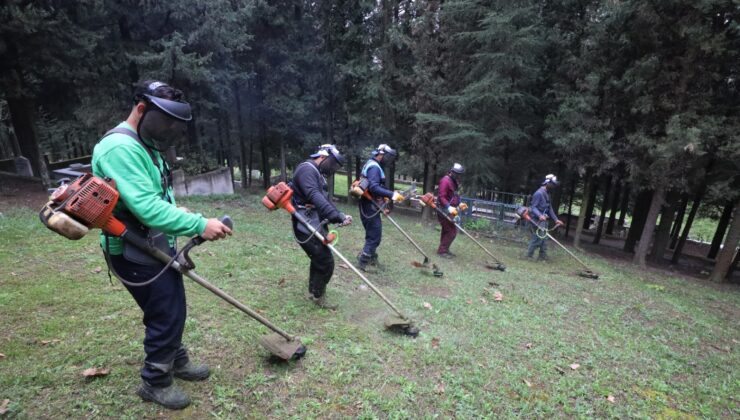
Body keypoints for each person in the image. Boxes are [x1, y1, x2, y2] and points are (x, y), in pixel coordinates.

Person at [92, 80, 232, 410]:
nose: (169, 129)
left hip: (151, 240)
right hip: (131, 248)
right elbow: (144, 206)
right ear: (142, 109)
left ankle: (177, 359)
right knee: (165, 312)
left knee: (171, 307)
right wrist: (199, 224)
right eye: (165, 121)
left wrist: (177, 211)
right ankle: (155, 381)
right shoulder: (120, 149)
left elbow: (153, 196)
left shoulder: (146, 144)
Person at [290, 144, 353, 309]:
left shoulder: (316, 173)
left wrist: (338, 215)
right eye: (333, 163)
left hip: (314, 222)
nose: (333, 168)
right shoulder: (307, 169)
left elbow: (322, 200)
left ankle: (313, 292)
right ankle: (318, 297)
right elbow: (314, 195)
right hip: (305, 223)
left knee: (318, 258)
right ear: (323, 157)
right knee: (325, 261)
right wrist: (335, 215)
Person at [357, 144, 405, 270]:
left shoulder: (373, 164)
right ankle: (363, 262)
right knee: (374, 236)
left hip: (370, 204)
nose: (389, 160)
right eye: (388, 157)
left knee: (372, 234)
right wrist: (391, 194)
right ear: (381, 154)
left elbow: (376, 188)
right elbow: (373, 187)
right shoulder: (374, 167)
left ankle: (371, 258)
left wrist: (385, 201)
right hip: (369, 205)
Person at [525, 174, 564, 261]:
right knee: (537, 237)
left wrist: (556, 219)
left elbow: (549, 208)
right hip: (536, 219)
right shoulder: (538, 193)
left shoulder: (548, 194)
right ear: (547, 183)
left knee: (544, 238)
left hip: (544, 219)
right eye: (553, 184)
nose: (554, 186)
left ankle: (542, 256)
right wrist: (539, 215)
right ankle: (528, 255)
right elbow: (533, 207)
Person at [436, 163, 465, 258]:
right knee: (451, 231)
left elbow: (455, 195)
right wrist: (448, 207)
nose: (458, 176)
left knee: (446, 229)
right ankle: (442, 251)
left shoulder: (453, 181)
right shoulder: (445, 181)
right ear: (452, 172)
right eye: (457, 173)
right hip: (443, 209)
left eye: (460, 174)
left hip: (451, 210)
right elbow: (441, 197)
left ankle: (444, 249)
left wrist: (459, 203)